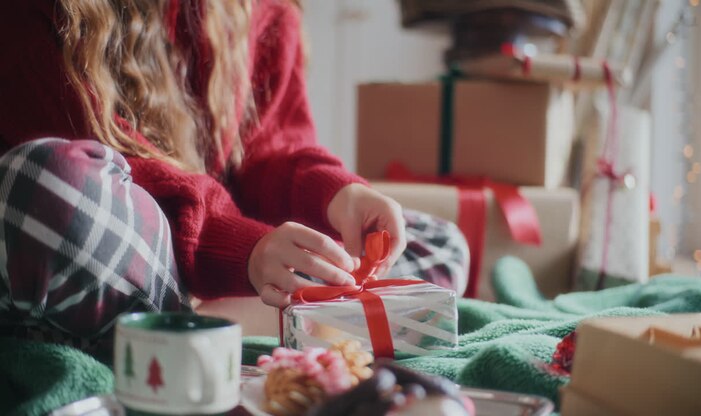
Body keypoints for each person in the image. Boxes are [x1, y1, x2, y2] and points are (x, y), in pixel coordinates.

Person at [0, 0, 468, 352]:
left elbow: (272, 148)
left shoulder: (263, 9)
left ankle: (198, 327)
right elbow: (112, 172)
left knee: (442, 244)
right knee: (50, 188)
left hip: (199, 274)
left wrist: (338, 195)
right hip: (146, 252)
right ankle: (265, 320)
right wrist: (247, 251)